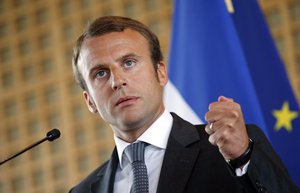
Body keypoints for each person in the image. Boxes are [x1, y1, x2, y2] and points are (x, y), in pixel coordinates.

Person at [69, 16, 299, 193]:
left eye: (129, 62)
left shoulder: (230, 148)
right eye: (100, 73)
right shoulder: (81, 191)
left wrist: (242, 158)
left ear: (160, 73)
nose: (117, 80)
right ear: (90, 101)